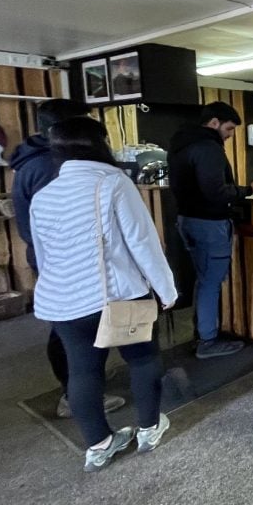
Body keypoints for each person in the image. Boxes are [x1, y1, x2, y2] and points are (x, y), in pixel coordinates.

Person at [29, 117, 177, 472]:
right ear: (100, 144)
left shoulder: (44, 195)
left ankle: (99, 444)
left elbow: (42, 254)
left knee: (82, 371)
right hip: (116, 293)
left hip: (62, 301)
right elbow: (142, 242)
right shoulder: (112, 182)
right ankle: (149, 428)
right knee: (142, 359)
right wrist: (166, 289)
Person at [10, 98, 126, 419]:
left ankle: (79, 381)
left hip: (50, 260)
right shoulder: (51, 167)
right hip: (69, 264)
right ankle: (73, 392)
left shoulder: (33, 160)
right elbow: (72, 226)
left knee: (70, 329)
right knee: (72, 332)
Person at [168, 101, 253, 359]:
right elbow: (216, 192)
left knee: (203, 279)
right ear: (214, 123)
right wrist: (248, 190)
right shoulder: (207, 147)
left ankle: (201, 333)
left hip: (187, 220)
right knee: (211, 282)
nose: (231, 135)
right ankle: (208, 341)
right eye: (230, 128)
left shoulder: (181, 144)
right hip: (209, 224)